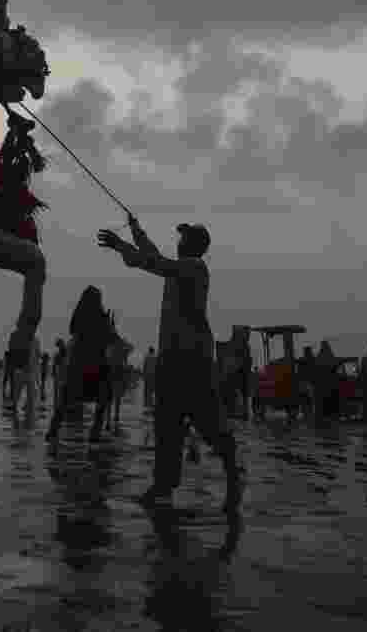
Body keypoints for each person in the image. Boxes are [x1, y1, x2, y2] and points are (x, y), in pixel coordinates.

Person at [97, 217, 241, 512]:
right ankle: (163, 485)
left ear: (193, 245)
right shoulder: (180, 269)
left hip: (192, 360)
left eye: (184, 237)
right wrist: (136, 231)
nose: (179, 240)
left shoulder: (194, 268)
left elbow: (155, 263)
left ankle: (233, 478)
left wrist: (121, 243)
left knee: (208, 423)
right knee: (167, 425)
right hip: (173, 357)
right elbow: (153, 257)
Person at [46, 286, 117, 440]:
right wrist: (110, 324)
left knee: (64, 401)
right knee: (103, 397)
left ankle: (53, 430)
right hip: (97, 366)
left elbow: (73, 330)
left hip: (78, 366)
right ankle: (95, 432)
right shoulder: (101, 317)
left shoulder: (78, 316)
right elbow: (110, 339)